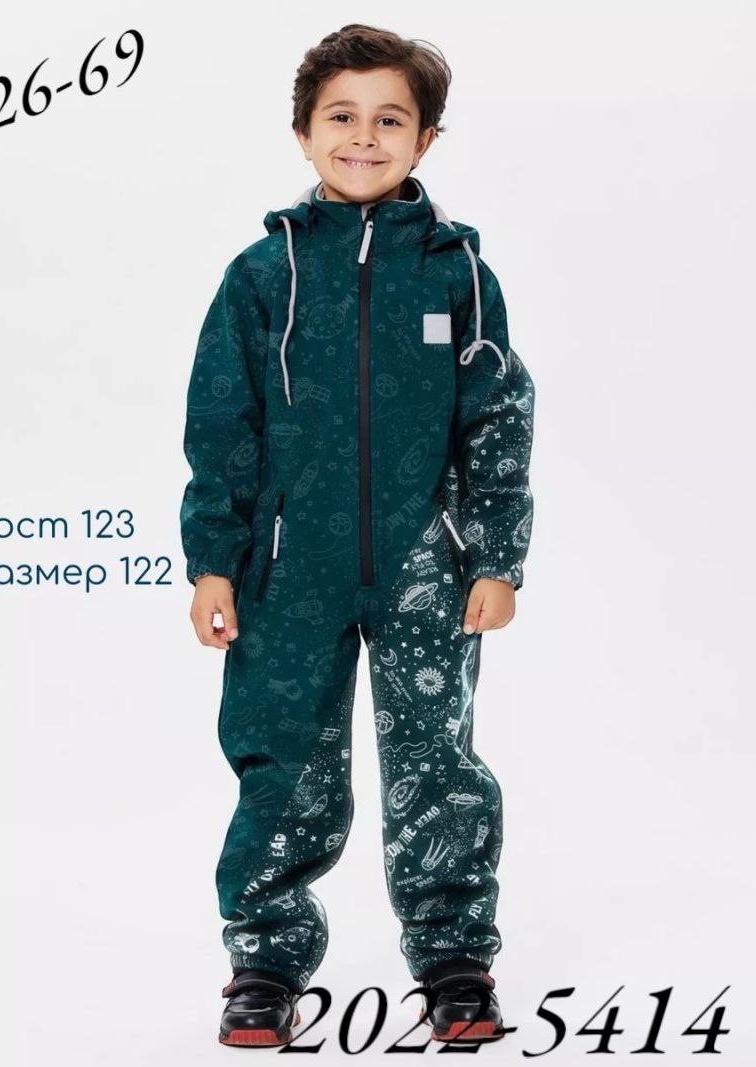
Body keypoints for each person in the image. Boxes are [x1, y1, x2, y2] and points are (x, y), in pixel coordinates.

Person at [180, 23, 536, 1047]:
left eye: (390, 120)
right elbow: (223, 425)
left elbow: (496, 420)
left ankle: (454, 955)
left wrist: (496, 556)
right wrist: (213, 561)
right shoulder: (262, 275)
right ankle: (264, 961)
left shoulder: (456, 274)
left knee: (438, 762)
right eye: (342, 117)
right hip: (287, 570)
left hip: (428, 567)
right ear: (303, 133)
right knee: (281, 761)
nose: (364, 138)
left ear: (425, 139)